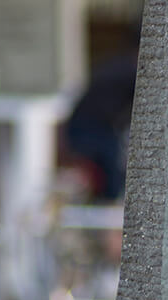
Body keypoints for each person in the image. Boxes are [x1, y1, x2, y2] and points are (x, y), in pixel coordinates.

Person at [59, 27, 139, 201]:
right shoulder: (131, 71)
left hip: (87, 126)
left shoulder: (119, 65)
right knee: (111, 175)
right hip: (91, 128)